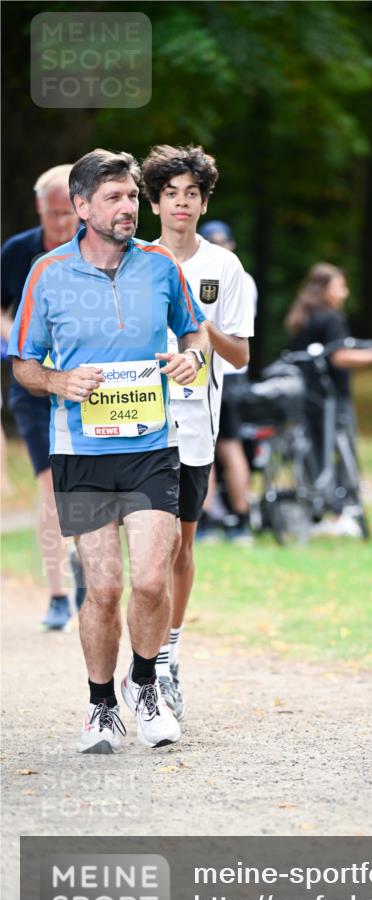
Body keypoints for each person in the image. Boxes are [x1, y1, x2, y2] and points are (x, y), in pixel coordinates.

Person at [9, 148, 208, 754]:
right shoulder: (46, 273)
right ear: (80, 207)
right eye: (115, 199)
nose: (129, 209)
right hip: (81, 450)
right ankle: (100, 708)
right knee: (106, 586)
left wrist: (192, 356)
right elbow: (22, 364)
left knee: (151, 579)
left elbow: (194, 329)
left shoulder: (159, 265)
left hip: (152, 443)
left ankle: (144, 685)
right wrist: (56, 381)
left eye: (130, 197)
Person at [141, 147, 254, 718]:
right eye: (171, 193)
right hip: (137, 424)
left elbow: (238, 355)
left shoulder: (225, 269)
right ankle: (148, 664)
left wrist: (201, 328)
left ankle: (169, 656)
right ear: (154, 201)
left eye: (192, 194)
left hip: (195, 425)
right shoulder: (132, 260)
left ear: (203, 202)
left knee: (182, 546)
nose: (181, 203)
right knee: (149, 550)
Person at [1, 164, 83, 628]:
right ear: (40, 207)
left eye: (67, 213)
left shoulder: (100, 248)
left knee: (90, 489)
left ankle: (91, 582)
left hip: (88, 386)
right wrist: (19, 338)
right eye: (52, 213)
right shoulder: (16, 252)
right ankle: (57, 594)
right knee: (51, 487)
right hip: (33, 386)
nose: (60, 223)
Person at [284, 262, 372, 536]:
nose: (345, 292)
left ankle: (315, 511)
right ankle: (341, 511)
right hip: (332, 398)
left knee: (314, 454)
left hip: (306, 397)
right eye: (340, 286)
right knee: (342, 453)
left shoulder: (301, 316)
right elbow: (339, 356)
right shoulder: (331, 318)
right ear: (326, 288)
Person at [198, 219, 256, 544]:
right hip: (235, 376)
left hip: (218, 372)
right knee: (230, 448)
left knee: (209, 449)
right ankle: (240, 517)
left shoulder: (225, 276)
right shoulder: (245, 279)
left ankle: (208, 518)